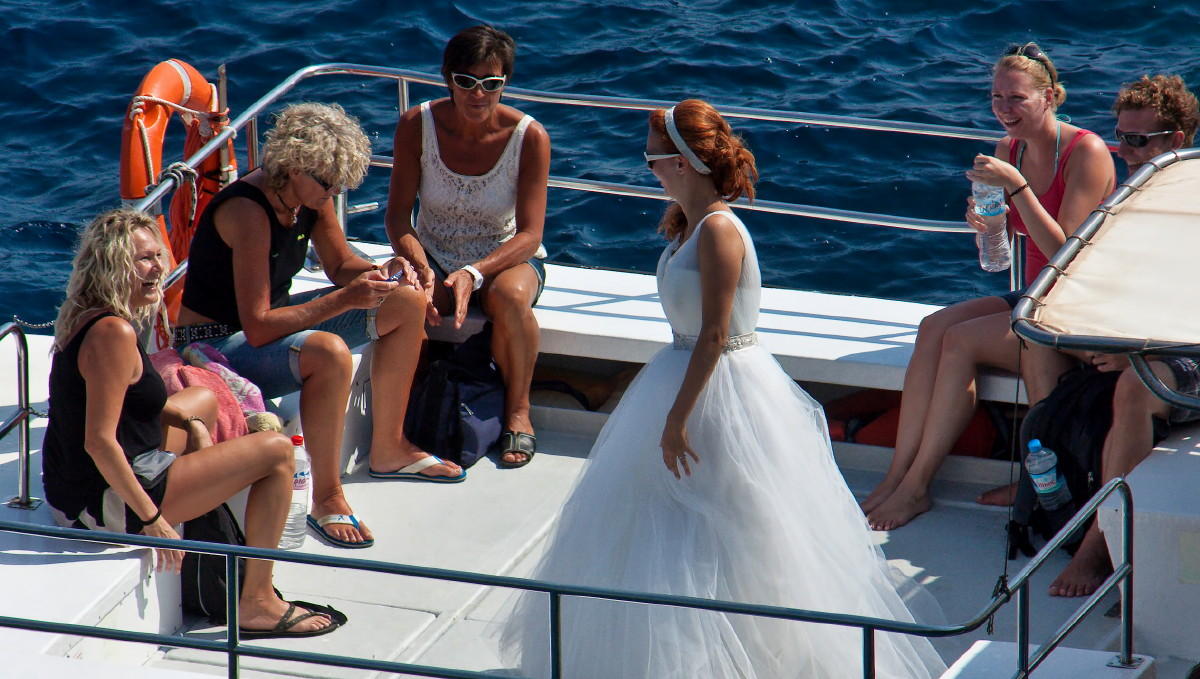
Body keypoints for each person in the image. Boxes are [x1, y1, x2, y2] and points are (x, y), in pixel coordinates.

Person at [497, 100, 946, 678]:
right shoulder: (687, 224)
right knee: (676, 519)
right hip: (683, 370)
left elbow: (715, 333)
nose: (649, 170)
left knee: (732, 519)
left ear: (683, 164)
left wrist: (676, 419)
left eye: (654, 160)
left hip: (720, 385)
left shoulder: (718, 232)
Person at [177, 102, 465, 551]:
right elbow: (257, 327)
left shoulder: (307, 199)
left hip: (265, 327)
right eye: (327, 185)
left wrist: (382, 272)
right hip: (213, 348)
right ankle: (326, 497)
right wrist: (345, 299)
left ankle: (389, 449)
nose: (331, 194)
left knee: (405, 302)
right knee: (328, 351)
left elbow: (339, 264)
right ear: (294, 167)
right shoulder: (248, 212)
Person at [42, 209, 341, 638]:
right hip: (101, 504)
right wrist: (151, 521)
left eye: (157, 256)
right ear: (112, 266)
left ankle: (217, 490)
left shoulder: (92, 314)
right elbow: (99, 442)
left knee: (201, 400)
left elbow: (111, 400)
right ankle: (256, 601)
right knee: (278, 452)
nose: (157, 268)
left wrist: (189, 421)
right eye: (141, 260)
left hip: (78, 483)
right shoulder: (113, 333)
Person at [860, 42, 1116, 530]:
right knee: (933, 325)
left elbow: (1066, 253)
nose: (1003, 109)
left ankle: (916, 490)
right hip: (1033, 293)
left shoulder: (1087, 152)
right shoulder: (1009, 150)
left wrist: (1016, 187)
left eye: (1016, 98)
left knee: (959, 341)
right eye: (996, 97)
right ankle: (896, 476)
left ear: (1050, 97)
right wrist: (988, 222)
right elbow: (1014, 236)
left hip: (1071, 302)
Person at [1047, 74, 1199, 598]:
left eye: (1138, 141)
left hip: (1186, 346)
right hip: (1141, 335)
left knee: (1135, 386)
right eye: (1121, 139)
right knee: (1045, 345)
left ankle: (1098, 545)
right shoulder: (1128, 194)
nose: (1125, 151)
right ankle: (1044, 484)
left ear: (1175, 143)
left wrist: (1137, 349)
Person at [385, 24, 551, 468]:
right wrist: (418, 262)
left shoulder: (530, 136)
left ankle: (519, 411)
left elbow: (531, 234)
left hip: (506, 257)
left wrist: (474, 273)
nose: (479, 94)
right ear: (448, 79)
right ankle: (403, 416)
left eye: (491, 84)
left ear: (505, 83)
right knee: (406, 298)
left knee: (511, 297)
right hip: (433, 253)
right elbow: (398, 217)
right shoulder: (415, 125)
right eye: (467, 82)